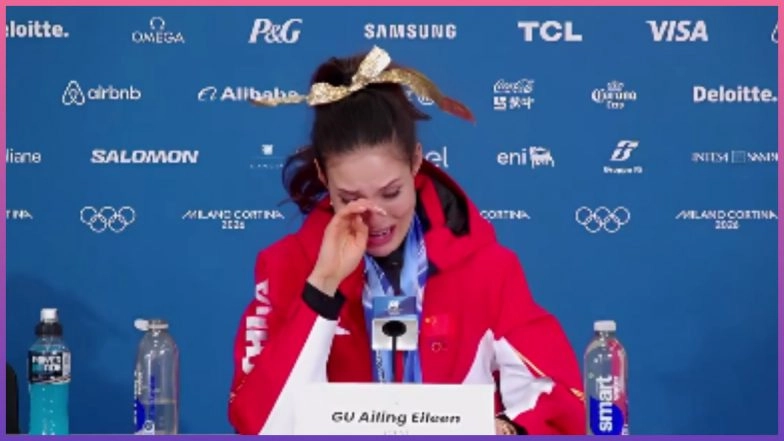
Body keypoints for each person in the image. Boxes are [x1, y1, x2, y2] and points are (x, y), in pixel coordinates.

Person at [228, 46, 585, 435]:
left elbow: (561, 402)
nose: (375, 215)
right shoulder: (284, 268)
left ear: (416, 162)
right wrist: (322, 287)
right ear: (322, 176)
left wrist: (508, 428)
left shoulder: (487, 270)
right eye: (351, 199)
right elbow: (257, 426)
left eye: (391, 192)